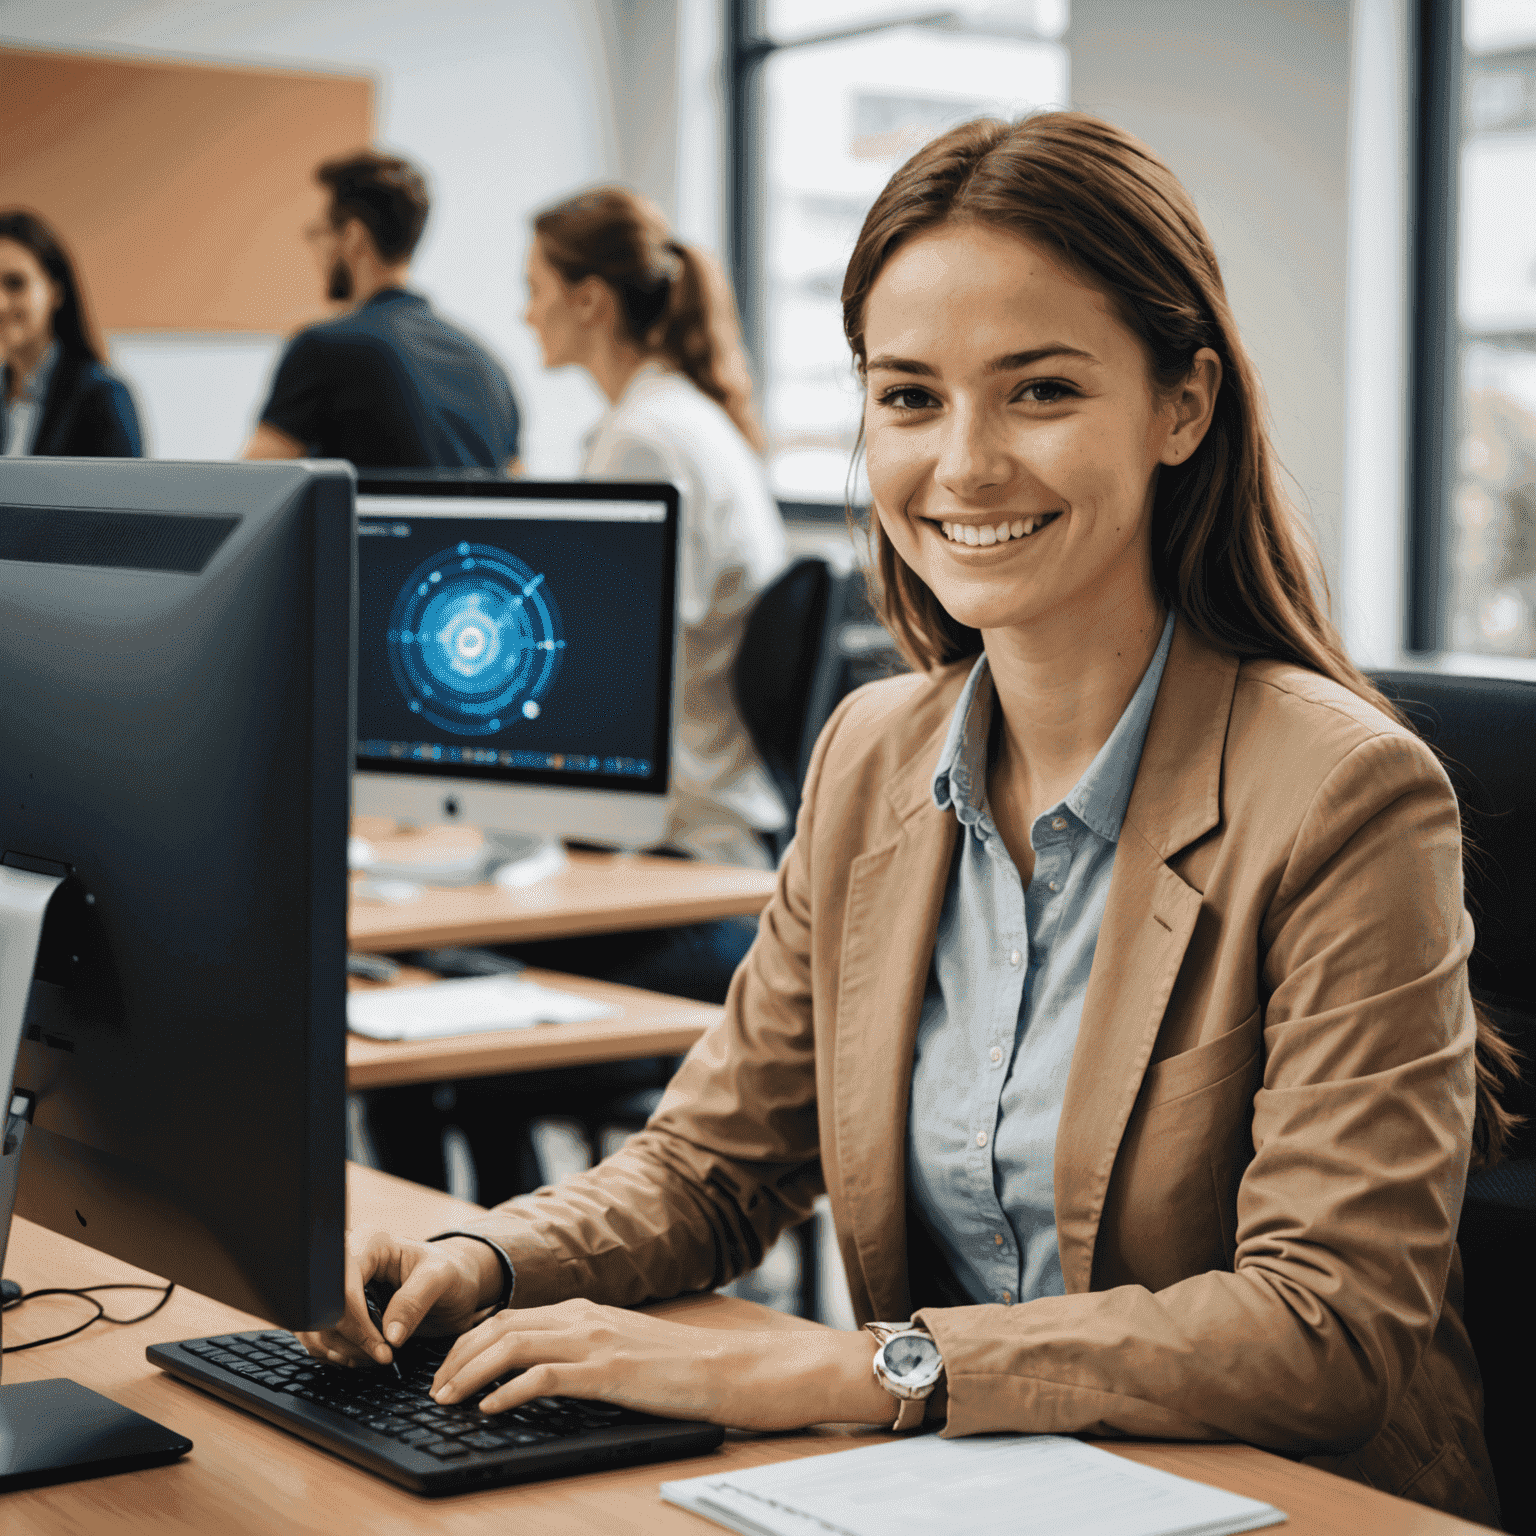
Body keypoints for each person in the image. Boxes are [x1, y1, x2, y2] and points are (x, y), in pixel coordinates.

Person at [302, 113, 1512, 1527]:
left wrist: (848, 1372)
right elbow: (709, 1166)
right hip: (960, 1495)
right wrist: (488, 1254)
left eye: (1042, 391)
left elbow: (1326, 1330)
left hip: (1286, 1504)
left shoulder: (1345, 796)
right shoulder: (875, 753)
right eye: (911, 396)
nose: (968, 464)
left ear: (1183, 406)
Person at [523, 186, 789, 873]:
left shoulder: (643, 440)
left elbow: (604, 676)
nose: (525, 314)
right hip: (712, 821)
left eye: (535, 289)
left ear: (588, 300)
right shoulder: (678, 415)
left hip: (682, 840)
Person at [243, 149, 521, 471]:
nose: (316, 252)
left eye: (318, 233)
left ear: (352, 236)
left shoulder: (323, 348)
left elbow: (250, 489)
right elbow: (517, 494)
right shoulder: (487, 366)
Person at [0, 210, 143, 458]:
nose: (0, 303)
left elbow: (126, 496)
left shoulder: (103, 398)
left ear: (56, 291)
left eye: (15, 283)